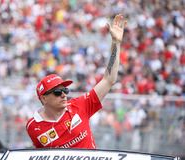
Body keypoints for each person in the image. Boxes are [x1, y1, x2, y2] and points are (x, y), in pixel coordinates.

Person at [26, 14, 127, 149]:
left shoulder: (80, 105)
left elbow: (109, 79)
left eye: (65, 90)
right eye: (57, 92)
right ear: (44, 98)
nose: (63, 94)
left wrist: (116, 43)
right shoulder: (33, 127)